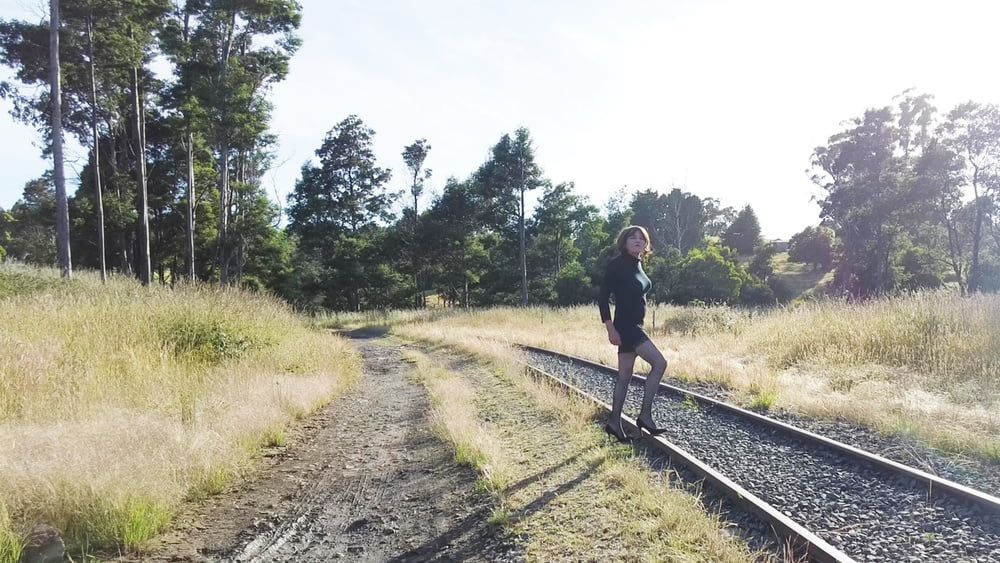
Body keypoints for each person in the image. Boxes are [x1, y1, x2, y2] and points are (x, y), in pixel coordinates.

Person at [597, 225, 669, 442]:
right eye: (633, 237)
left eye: (642, 238)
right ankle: (645, 415)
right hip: (627, 327)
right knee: (660, 363)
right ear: (624, 242)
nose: (638, 241)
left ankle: (614, 422)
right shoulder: (617, 265)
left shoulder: (638, 264)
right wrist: (610, 328)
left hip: (635, 325)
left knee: (625, 377)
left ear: (646, 244)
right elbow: (602, 298)